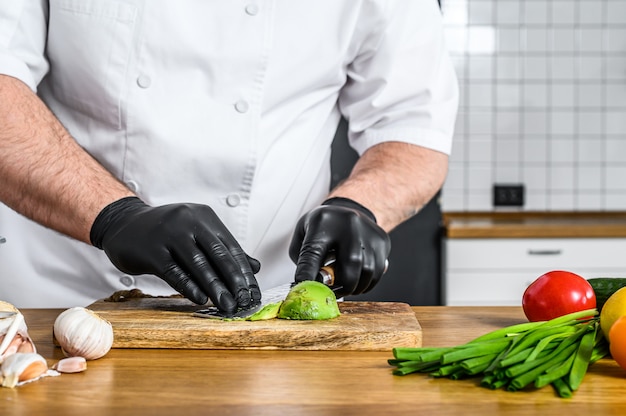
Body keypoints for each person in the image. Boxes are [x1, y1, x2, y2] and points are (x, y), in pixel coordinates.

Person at [0, 1, 458, 313]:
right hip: (63, 296)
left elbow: (412, 123)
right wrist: (113, 216)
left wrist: (359, 205)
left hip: (270, 304)